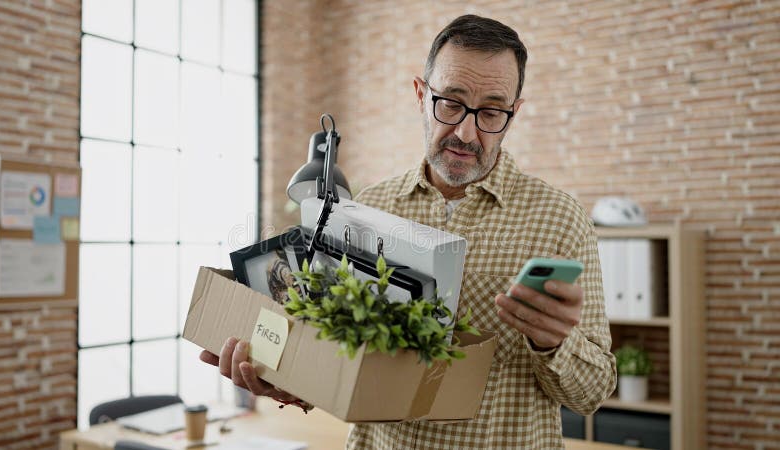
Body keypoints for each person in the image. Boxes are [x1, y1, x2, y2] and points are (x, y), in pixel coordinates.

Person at [200, 14, 616, 449]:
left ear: (513, 114)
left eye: (491, 111)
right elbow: (338, 363)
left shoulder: (561, 218)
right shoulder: (368, 207)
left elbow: (591, 394)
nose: (465, 131)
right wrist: (286, 383)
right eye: (450, 103)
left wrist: (555, 345)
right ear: (421, 95)